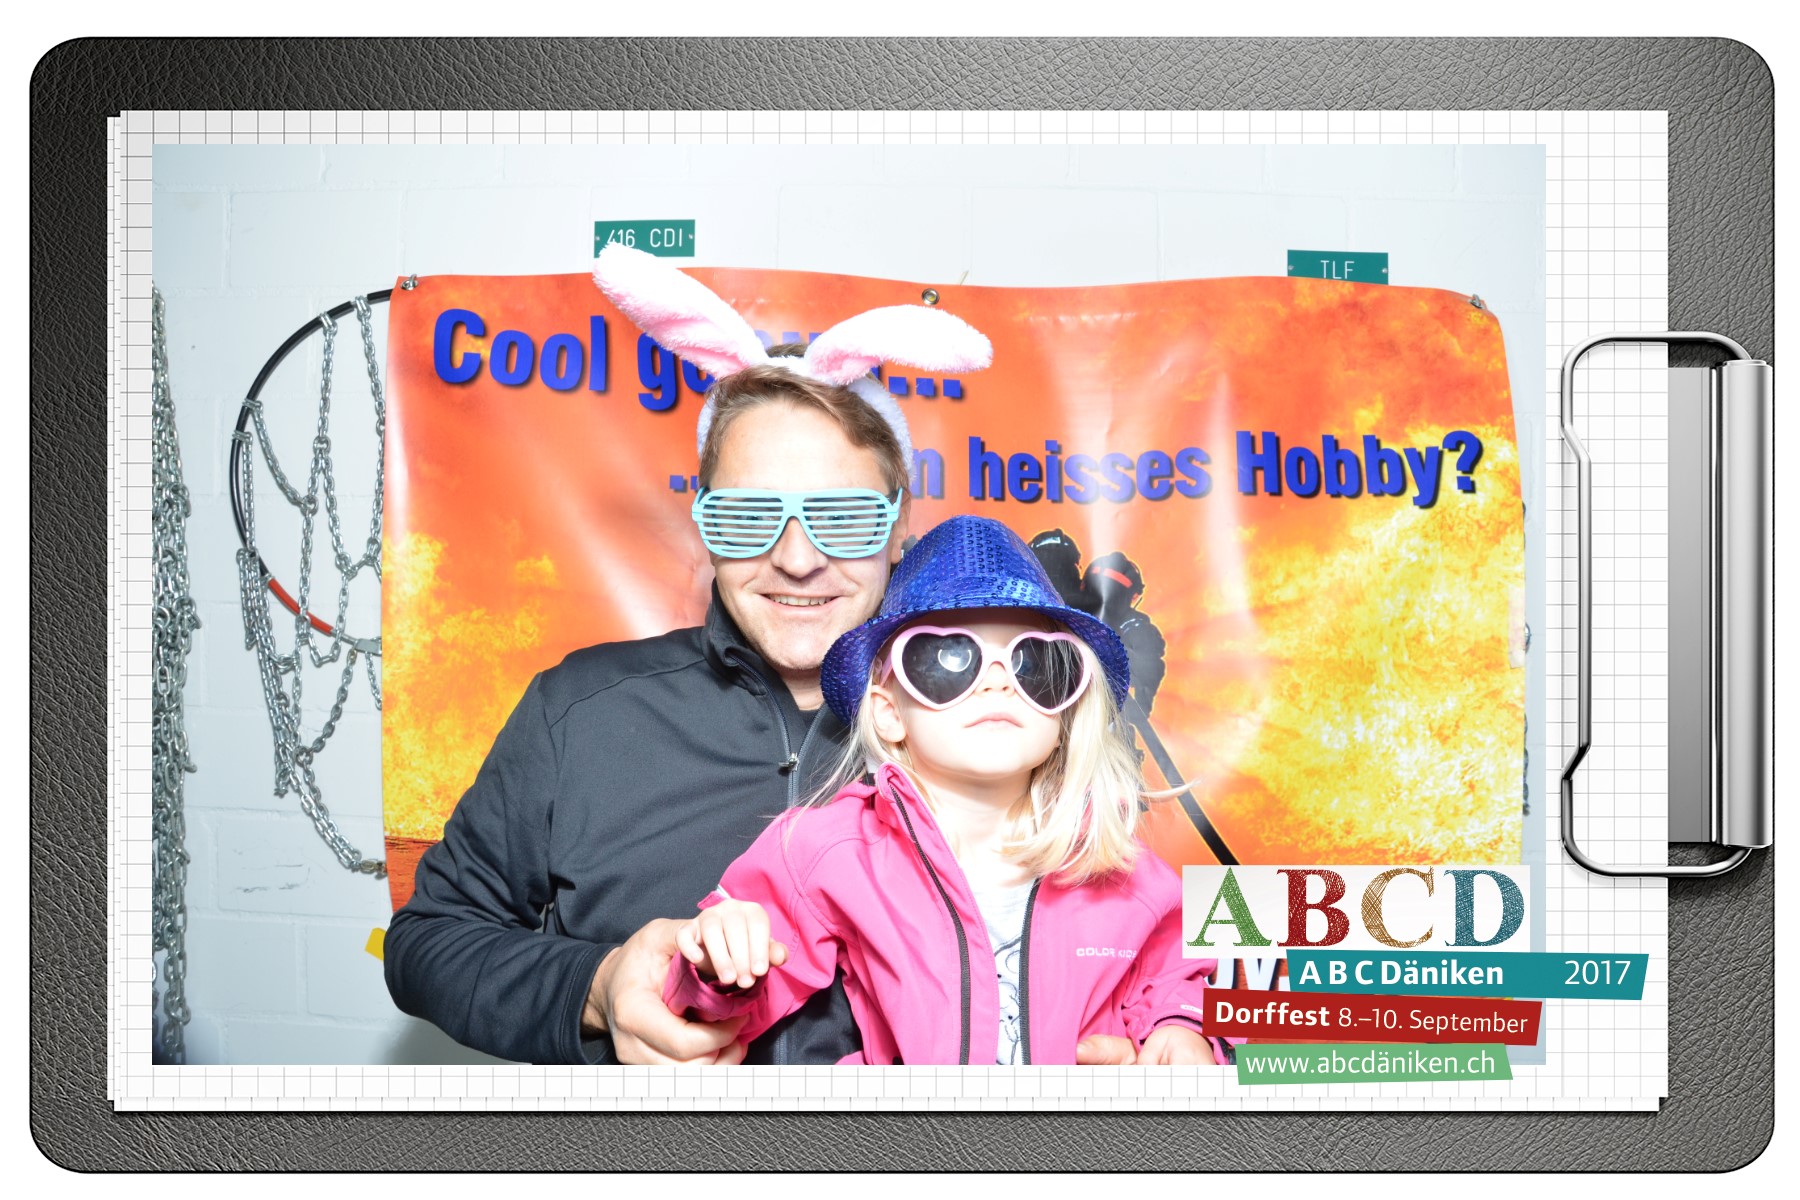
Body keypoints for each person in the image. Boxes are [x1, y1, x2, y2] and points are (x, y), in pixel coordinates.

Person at [382, 245, 992, 1065]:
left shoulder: (997, 720)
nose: (798, 559)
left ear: (899, 524)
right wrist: (597, 986)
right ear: (703, 521)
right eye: (749, 517)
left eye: (843, 517)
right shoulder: (579, 713)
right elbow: (427, 945)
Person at [659, 516, 1232, 1065]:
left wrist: (1182, 1029)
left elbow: (1187, 973)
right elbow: (717, 1012)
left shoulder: (1115, 861)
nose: (998, 679)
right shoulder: (831, 850)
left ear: (1064, 709)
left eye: (1034, 661)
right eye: (949, 656)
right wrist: (717, 963)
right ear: (888, 713)